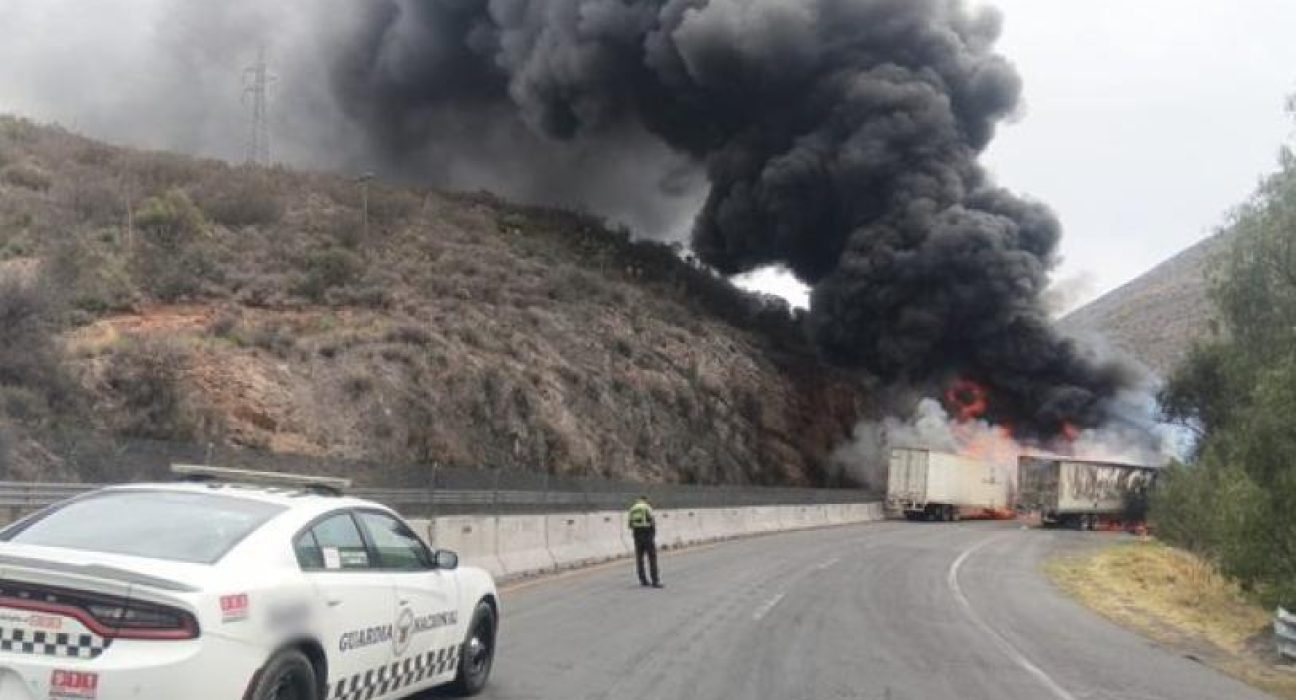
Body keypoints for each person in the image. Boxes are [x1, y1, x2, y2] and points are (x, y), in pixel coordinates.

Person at [627, 496, 662, 588]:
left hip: (637, 534)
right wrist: (653, 533)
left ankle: (643, 580)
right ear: (645, 500)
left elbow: (630, 525)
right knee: (652, 557)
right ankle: (655, 581)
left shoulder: (632, 509)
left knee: (639, 558)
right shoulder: (647, 507)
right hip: (647, 534)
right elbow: (652, 520)